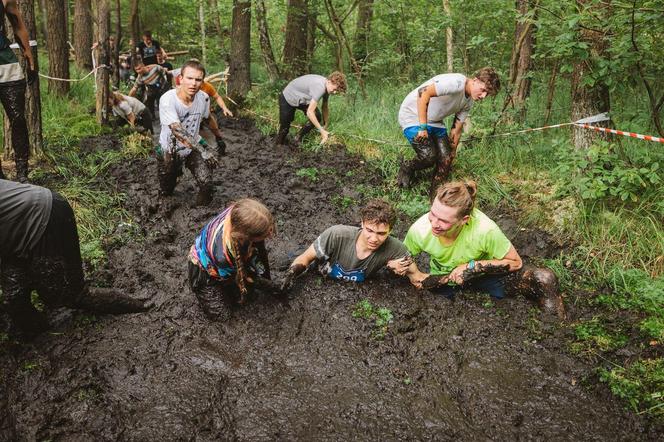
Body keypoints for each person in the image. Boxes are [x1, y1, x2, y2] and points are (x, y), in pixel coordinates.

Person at [0, 180, 148, 339]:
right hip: (24, 223)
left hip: (44, 216)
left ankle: (141, 305)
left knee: (70, 294)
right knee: (14, 296)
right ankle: (39, 334)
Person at [403, 180, 564, 317]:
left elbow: (516, 262)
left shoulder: (485, 230)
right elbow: (403, 255)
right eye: (433, 214)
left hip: (482, 276)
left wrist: (470, 268)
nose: (434, 224)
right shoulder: (420, 229)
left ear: (464, 220)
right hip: (445, 279)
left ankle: (556, 330)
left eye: (444, 221)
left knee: (544, 279)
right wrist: (413, 273)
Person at [397, 68, 500, 196]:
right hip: (413, 116)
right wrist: (422, 128)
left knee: (446, 159)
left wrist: (452, 151)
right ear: (475, 80)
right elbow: (422, 92)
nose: (483, 96)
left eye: (487, 94)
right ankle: (407, 167)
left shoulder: (468, 102)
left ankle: (436, 196)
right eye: (483, 90)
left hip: (435, 121)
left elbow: (456, 129)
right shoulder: (456, 83)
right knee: (429, 156)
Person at [280, 199, 419, 291]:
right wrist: (290, 275)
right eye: (369, 230)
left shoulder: (396, 249)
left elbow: (417, 278)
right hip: (319, 276)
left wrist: (393, 269)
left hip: (355, 290)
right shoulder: (336, 235)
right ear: (362, 223)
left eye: (381, 233)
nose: (374, 238)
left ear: (390, 231)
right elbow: (305, 258)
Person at [188, 198, 277, 320]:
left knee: (250, 294)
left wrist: (267, 276)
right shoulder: (223, 256)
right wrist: (271, 286)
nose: (271, 234)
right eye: (266, 234)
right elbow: (244, 275)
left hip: (226, 260)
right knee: (222, 315)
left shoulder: (239, 213)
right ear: (245, 237)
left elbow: (261, 250)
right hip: (204, 273)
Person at [157, 59, 220, 206]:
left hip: (193, 148)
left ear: (202, 82)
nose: (193, 84)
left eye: (198, 80)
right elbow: (178, 131)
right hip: (170, 150)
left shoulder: (203, 98)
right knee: (167, 189)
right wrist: (203, 151)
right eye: (189, 78)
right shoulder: (168, 99)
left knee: (207, 183)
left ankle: (200, 214)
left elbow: (208, 119)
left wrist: (218, 138)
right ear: (181, 79)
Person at [0, 0, 36, 183]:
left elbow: (18, 24)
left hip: (6, 62)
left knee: (18, 118)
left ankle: (22, 173)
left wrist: (28, 54)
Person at [275, 72, 347, 147]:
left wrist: (325, 124)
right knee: (285, 127)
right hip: (288, 97)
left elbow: (324, 106)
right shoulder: (320, 87)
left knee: (317, 116)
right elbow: (310, 112)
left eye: (337, 91)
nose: (334, 92)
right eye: (334, 89)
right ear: (329, 81)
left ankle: (297, 138)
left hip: (303, 99)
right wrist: (322, 131)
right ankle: (278, 145)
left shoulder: (327, 87)